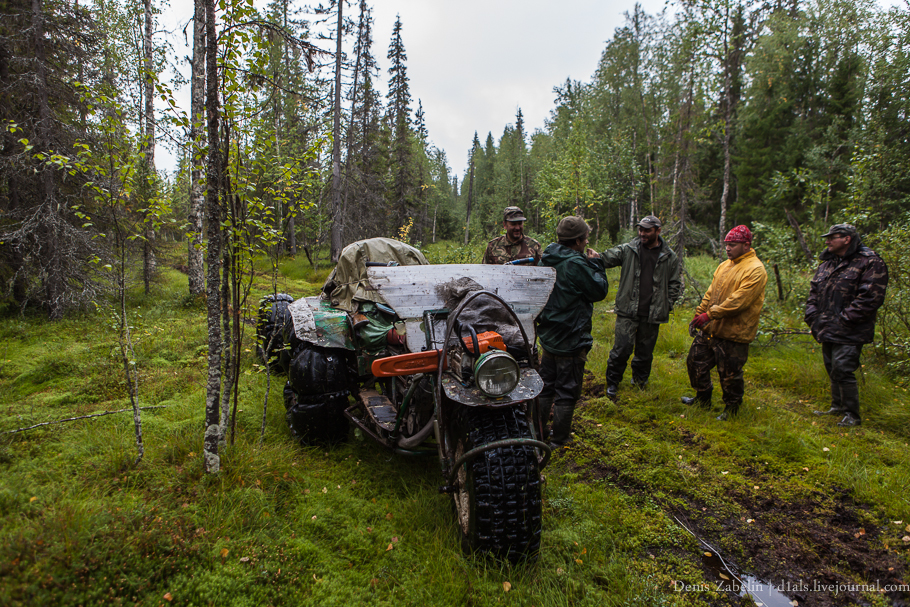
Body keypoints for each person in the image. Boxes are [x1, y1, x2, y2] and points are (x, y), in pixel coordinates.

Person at [805, 223, 888, 427]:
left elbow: (870, 298)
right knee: (832, 367)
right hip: (825, 325)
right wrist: (812, 315)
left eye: (833, 237)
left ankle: (852, 415)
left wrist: (844, 319)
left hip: (851, 329)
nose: (827, 241)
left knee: (843, 369)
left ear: (847, 239)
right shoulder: (828, 262)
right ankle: (837, 407)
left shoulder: (869, 261)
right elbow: (814, 290)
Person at [681, 225, 767, 421]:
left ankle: (732, 409)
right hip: (711, 328)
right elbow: (710, 293)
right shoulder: (724, 265)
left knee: (729, 374)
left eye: (733, 245)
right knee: (695, 362)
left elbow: (739, 301)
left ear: (746, 245)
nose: (728, 248)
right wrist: (699, 315)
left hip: (734, 333)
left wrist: (710, 315)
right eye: (727, 244)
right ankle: (703, 399)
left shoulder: (755, 269)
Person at [536, 216, 608, 446]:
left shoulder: (546, 257)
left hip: (548, 335)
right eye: (585, 238)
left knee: (545, 387)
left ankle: (536, 433)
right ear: (576, 241)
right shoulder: (575, 264)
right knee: (567, 391)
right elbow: (598, 291)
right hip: (571, 337)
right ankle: (559, 439)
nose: (587, 242)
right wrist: (596, 264)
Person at [600, 215, 681, 398]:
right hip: (628, 309)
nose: (642, 233)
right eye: (640, 229)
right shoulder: (629, 249)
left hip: (652, 312)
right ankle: (612, 382)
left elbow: (675, 284)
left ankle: (639, 382)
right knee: (621, 348)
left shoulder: (669, 256)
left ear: (658, 231)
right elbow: (606, 258)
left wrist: (666, 304)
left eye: (647, 230)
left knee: (645, 352)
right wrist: (591, 257)